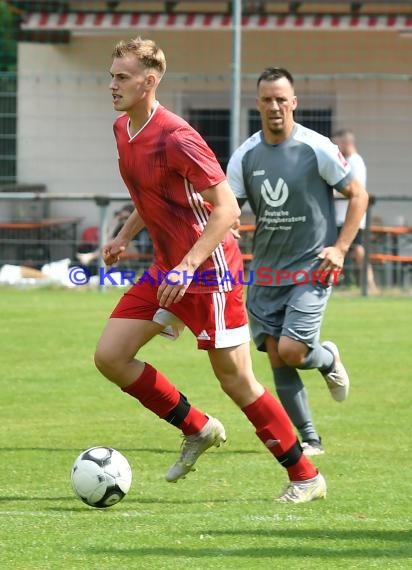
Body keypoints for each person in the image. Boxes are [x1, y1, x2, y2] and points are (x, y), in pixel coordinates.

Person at [94, 38, 326, 504]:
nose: (113, 84)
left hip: (208, 271)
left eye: (122, 77)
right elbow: (151, 192)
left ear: (149, 81)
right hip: (169, 269)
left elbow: (225, 211)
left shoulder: (177, 135)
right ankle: (198, 427)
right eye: (112, 75)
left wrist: (188, 266)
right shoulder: (123, 129)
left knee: (236, 379)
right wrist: (124, 234)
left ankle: (305, 476)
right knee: (111, 356)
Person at [227, 67, 369, 456]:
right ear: (258, 104)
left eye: (280, 99)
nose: (274, 106)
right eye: (267, 99)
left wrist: (339, 249)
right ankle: (310, 439)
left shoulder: (317, 147)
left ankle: (326, 359)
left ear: (294, 103)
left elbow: (358, 195)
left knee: (292, 350)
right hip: (267, 273)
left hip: (311, 267)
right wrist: (227, 227)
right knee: (277, 357)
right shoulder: (245, 155)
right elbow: (227, 210)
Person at [332, 129, 379, 294]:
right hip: (340, 216)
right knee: (346, 249)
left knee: (357, 249)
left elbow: (355, 189)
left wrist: (332, 191)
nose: (335, 147)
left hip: (351, 216)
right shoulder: (348, 161)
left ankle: (369, 284)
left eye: (338, 143)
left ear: (346, 143)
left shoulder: (355, 162)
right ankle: (340, 282)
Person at [76, 203, 150, 267]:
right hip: (119, 251)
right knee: (111, 244)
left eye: (127, 218)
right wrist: (115, 223)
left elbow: (142, 246)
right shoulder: (119, 226)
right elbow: (105, 239)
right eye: (122, 218)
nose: (124, 221)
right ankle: (94, 262)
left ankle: (90, 256)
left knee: (115, 244)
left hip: (136, 252)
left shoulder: (140, 226)